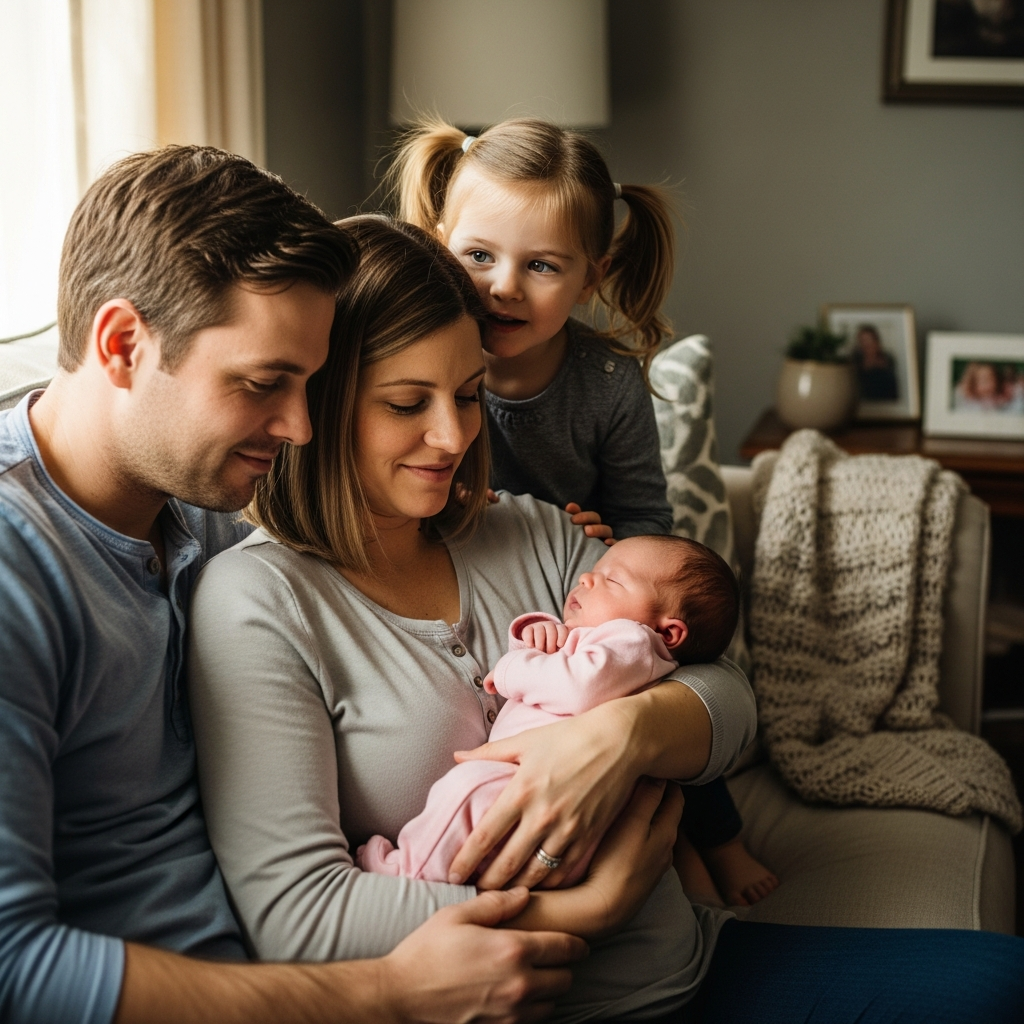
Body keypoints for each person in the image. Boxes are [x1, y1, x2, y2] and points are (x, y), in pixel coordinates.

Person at [188, 215, 1024, 1024]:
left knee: (1002, 986)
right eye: (408, 403)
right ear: (317, 404)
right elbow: (299, 917)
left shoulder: (532, 531)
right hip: (521, 1003)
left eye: (469, 395)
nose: (451, 436)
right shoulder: (259, 603)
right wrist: (586, 911)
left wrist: (619, 739)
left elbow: (730, 701)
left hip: (692, 968)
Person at [0, 147, 588, 1024]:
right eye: (263, 385)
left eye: (310, 384)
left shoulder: (202, 498)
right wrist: (387, 992)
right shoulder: (19, 568)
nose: (301, 427)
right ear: (122, 345)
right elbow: (14, 969)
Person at [387, 116, 776, 908]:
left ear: (592, 277)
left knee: (653, 686)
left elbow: (644, 515)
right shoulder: (423, 368)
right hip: (483, 570)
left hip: (588, 581)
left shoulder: (606, 383)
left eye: (541, 266)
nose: (503, 286)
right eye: (479, 256)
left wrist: (614, 549)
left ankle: (718, 840)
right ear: (439, 245)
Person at [357, 535, 739, 885]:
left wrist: (512, 667)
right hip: (546, 803)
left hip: (532, 786)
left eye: (612, 580)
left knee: (463, 790)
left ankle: (405, 870)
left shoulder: (633, 641)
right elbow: (567, 667)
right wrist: (541, 635)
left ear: (668, 632)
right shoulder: (610, 647)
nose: (587, 577)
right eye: (596, 569)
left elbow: (578, 686)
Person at [852, 324, 899, 402]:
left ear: (876, 342)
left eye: (868, 339)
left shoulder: (887, 360)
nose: (865, 344)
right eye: (862, 340)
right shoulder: (855, 361)